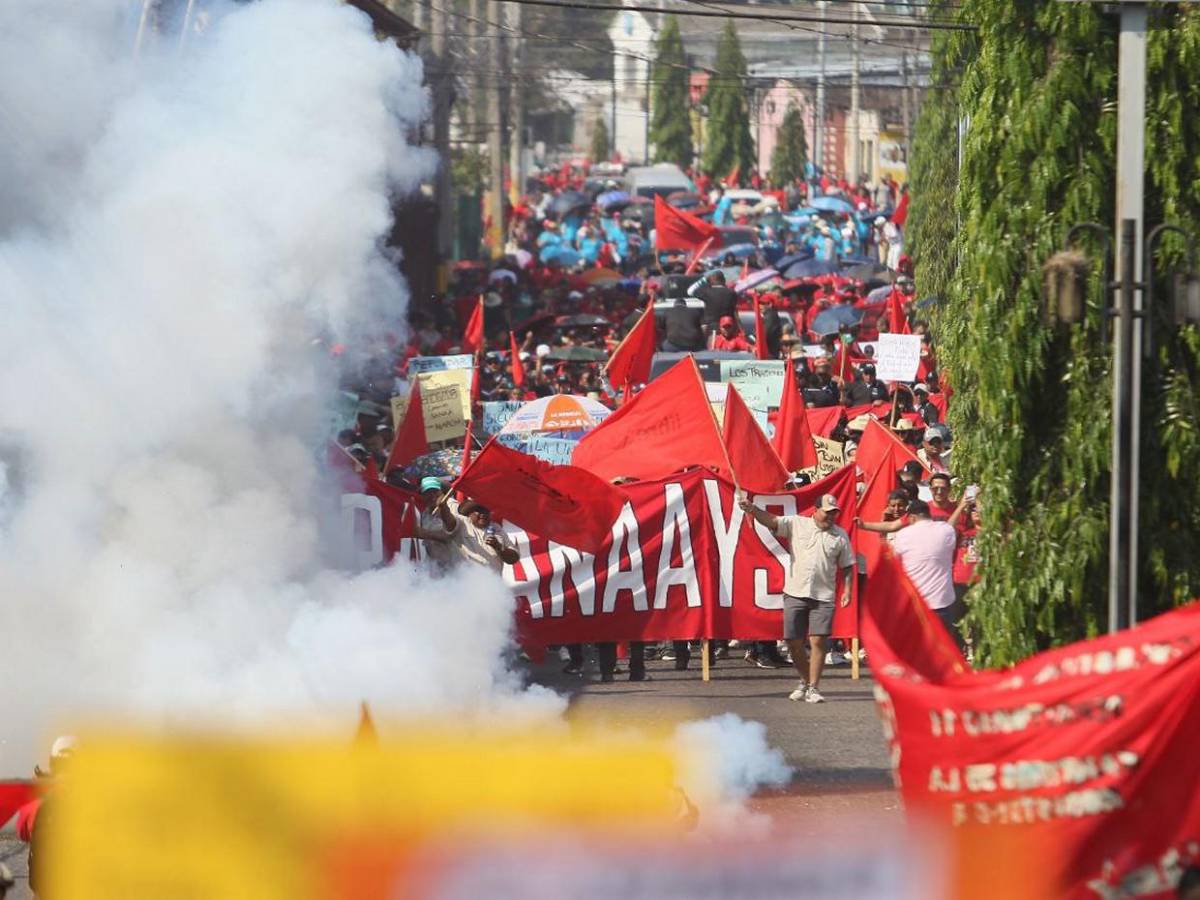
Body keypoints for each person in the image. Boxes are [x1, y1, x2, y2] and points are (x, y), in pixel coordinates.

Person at [738, 492, 854, 703]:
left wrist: (847, 590)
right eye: (826, 513)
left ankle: (814, 688)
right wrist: (752, 509)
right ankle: (805, 681)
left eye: (834, 513)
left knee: (818, 641)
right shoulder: (796, 524)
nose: (830, 517)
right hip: (795, 592)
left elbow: (847, 566)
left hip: (824, 595)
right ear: (815, 510)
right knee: (793, 642)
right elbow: (771, 521)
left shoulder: (840, 535)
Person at [859, 500, 964, 652]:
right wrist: (961, 506)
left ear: (912, 518)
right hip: (942, 604)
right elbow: (951, 526)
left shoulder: (903, 535)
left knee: (916, 652)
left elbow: (894, 565)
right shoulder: (946, 531)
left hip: (914, 605)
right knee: (941, 652)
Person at [453, 499, 520, 570]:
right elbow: (449, 519)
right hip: (466, 578)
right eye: (478, 510)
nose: (483, 514)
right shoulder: (461, 522)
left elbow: (514, 558)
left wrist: (499, 548)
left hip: (492, 579)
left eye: (486, 510)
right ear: (470, 513)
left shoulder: (497, 528)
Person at [414, 476, 458, 571]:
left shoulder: (452, 506)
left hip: (455, 566)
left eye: (435, 491)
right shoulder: (425, 513)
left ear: (442, 492)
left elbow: (452, 535)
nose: (432, 495)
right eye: (427, 493)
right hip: (435, 569)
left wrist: (424, 533)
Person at [687, 269, 738, 334]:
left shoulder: (707, 292)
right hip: (727, 326)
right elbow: (734, 310)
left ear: (710, 281)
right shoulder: (732, 293)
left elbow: (690, 291)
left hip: (709, 326)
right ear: (724, 280)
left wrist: (704, 280)